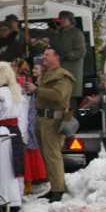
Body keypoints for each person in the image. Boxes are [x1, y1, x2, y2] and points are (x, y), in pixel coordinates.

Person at [24, 47, 75, 203]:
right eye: (43, 55)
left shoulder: (63, 76)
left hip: (53, 121)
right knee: (47, 156)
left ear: (57, 57)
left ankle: (58, 190)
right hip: (42, 120)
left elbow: (59, 96)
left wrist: (37, 90)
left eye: (47, 55)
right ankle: (54, 187)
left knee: (53, 156)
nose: (43, 57)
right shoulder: (46, 74)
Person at [0, 62, 26, 212]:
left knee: (1, 169)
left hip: (1, 133)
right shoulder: (14, 91)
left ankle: (2, 201)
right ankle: (15, 200)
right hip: (14, 132)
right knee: (14, 169)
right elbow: (21, 115)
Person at [51, 10, 85, 107]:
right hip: (58, 70)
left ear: (71, 20)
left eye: (65, 19)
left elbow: (81, 51)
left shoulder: (77, 33)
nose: (62, 21)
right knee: (58, 97)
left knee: (70, 101)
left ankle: (70, 120)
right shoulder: (57, 33)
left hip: (71, 70)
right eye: (61, 18)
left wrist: (66, 55)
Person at [23, 62, 48, 194]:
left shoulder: (41, 85)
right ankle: (34, 178)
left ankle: (40, 177)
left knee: (36, 148)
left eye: (36, 68)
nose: (33, 70)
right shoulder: (34, 84)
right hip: (31, 118)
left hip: (36, 119)